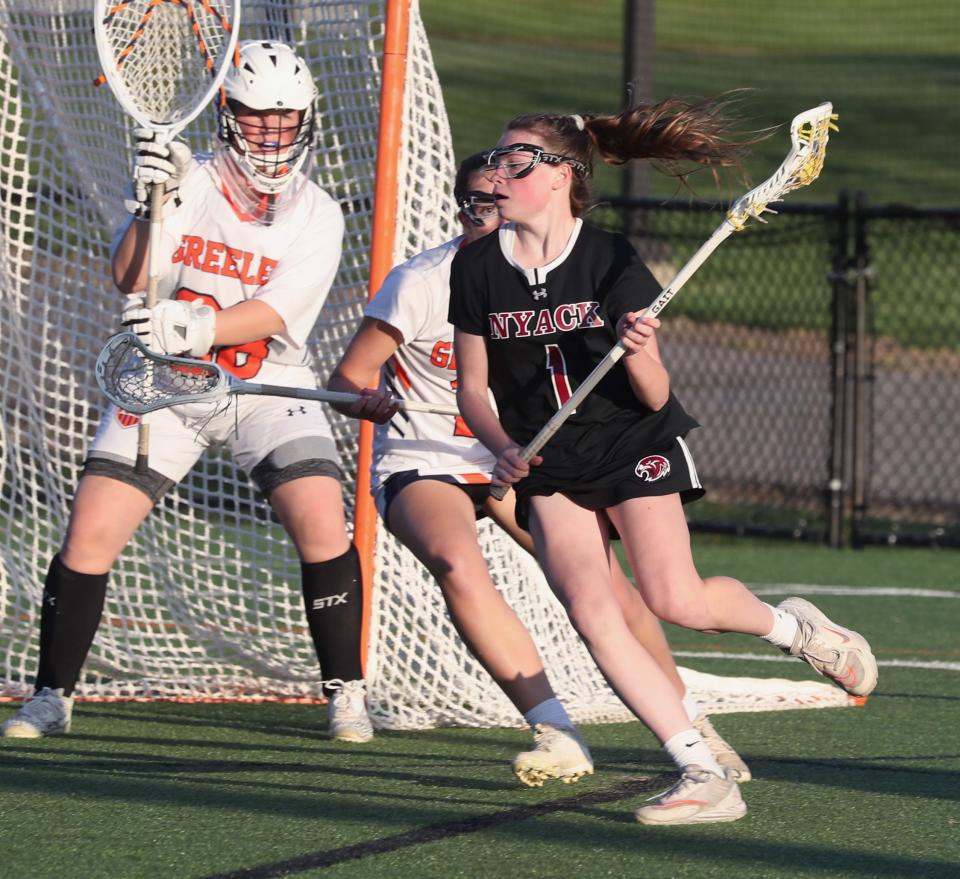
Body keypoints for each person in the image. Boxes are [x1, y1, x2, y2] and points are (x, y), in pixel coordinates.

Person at [448, 97, 878, 825]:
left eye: (516, 159)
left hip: (633, 440)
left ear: (560, 175)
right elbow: (471, 384)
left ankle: (797, 631)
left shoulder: (611, 257)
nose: (498, 172)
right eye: (496, 158)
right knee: (592, 611)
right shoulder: (478, 268)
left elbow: (653, 393)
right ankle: (700, 769)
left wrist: (642, 350)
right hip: (551, 461)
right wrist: (504, 447)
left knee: (675, 600)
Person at [327, 152, 748, 786]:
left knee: (609, 589)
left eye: (495, 200)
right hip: (430, 454)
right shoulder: (425, 280)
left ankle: (694, 723)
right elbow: (350, 377)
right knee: (456, 563)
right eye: (473, 203)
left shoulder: (548, 272)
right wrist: (366, 398)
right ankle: (555, 731)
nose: (485, 213)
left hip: (524, 456)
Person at [2, 40, 373, 744]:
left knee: (322, 518)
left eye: (287, 118)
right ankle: (53, 694)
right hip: (163, 383)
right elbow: (127, 275)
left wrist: (197, 324)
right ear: (227, 112)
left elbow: (274, 313)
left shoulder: (318, 213)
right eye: (259, 117)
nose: (273, 132)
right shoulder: (187, 180)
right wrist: (154, 204)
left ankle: (345, 690)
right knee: (89, 532)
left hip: (266, 384)